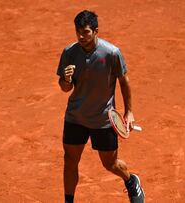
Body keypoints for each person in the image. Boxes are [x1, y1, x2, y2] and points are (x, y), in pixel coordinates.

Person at [56, 10, 145, 203]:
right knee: (70, 161)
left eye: (86, 32)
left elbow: (124, 80)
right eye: (78, 31)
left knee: (110, 164)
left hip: (103, 119)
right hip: (75, 117)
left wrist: (129, 112)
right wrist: (66, 78)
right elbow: (65, 88)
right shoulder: (69, 53)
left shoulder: (112, 53)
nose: (81, 36)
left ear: (96, 31)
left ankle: (131, 180)